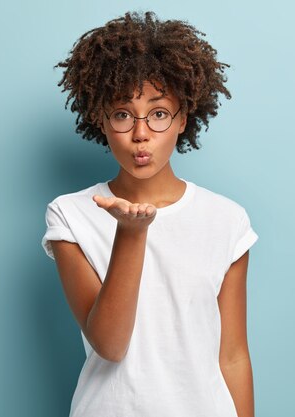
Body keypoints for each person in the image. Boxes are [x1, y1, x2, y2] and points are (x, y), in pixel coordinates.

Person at [41, 10, 259, 417]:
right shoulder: (70, 215)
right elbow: (110, 344)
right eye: (123, 114)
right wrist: (131, 233)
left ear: (183, 119)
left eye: (159, 114)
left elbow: (232, 356)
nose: (141, 133)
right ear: (100, 120)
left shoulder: (227, 220)